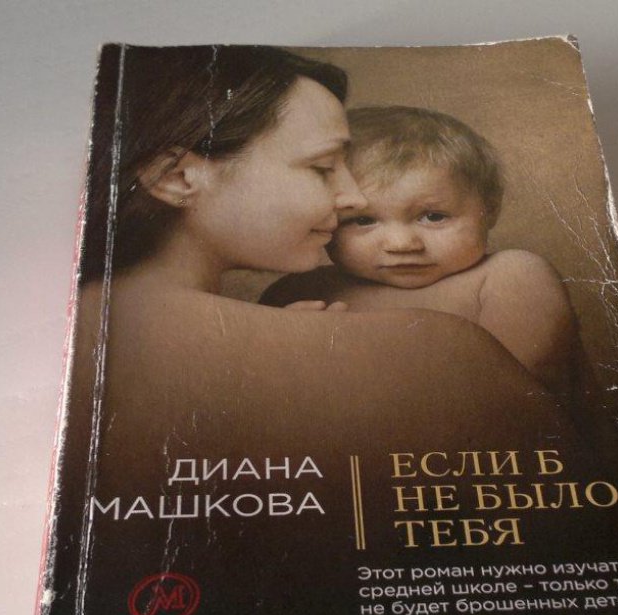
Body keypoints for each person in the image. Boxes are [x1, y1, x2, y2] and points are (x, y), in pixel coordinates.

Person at [70, 47, 577, 497]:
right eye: (322, 167)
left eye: (432, 216)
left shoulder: (80, 337)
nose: (352, 197)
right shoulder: (436, 351)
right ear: (177, 177)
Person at [260, 106, 580, 399]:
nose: (402, 244)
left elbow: (514, 389)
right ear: (323, 219)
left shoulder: (510, 276)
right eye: (363, 220)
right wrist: (286, 355)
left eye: (433, 216)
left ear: (490, 209)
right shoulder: (299, 291)